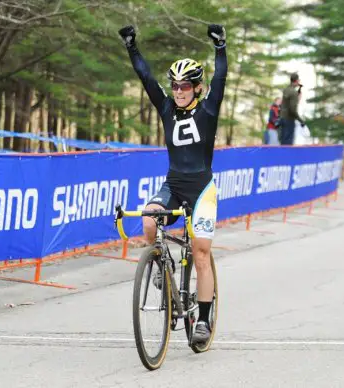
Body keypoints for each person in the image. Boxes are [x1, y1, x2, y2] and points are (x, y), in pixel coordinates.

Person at [118, 23, 227, 344]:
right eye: (175, 85)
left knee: (202, 253)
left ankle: (204, 320)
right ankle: (161, 271)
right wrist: (131, 47)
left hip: (202, 190)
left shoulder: (208, 109)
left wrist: (220, 46)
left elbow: (221, 76)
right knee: (150, 221)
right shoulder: (166, 108)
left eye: (185, 86)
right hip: (174, 185)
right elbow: (146, 78)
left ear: (197, 88)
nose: (178, 90)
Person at [280, 73, 305, 145]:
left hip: (282, 118)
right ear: (297, 81)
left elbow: (287, 103)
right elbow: (293, 109)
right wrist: (301, 120)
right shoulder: (294, 93)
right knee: (288, 143)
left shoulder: (286, 89)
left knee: (283, 142)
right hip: (289, 119)